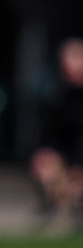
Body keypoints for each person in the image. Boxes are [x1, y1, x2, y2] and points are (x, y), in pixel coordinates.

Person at [30, 36, 83, 231]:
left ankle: (74, 210)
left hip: (78, 146)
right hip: (61, 144)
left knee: (75, 182)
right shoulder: (55, 90)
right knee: (46, 170)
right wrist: (43, 150)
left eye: (74, 58)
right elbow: (49, 126)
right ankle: (54, 207)